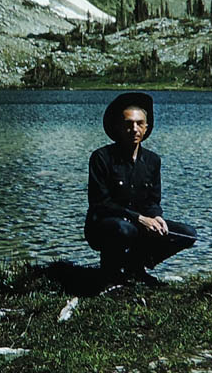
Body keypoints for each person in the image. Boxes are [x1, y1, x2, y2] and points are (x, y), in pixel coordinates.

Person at [84, 92, 197, 285]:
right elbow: (100, 204)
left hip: (139, 224)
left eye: (139, 123)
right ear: (118, 127)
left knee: (187, 234)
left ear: (146, 127)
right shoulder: (101, 158)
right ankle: (109, 270)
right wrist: (139, 218)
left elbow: (152, 201)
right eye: (128, 124)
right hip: (104, 226)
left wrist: (157, 218)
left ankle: (135, 266)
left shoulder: (152, 161)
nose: (134, 129)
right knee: (124, 229)